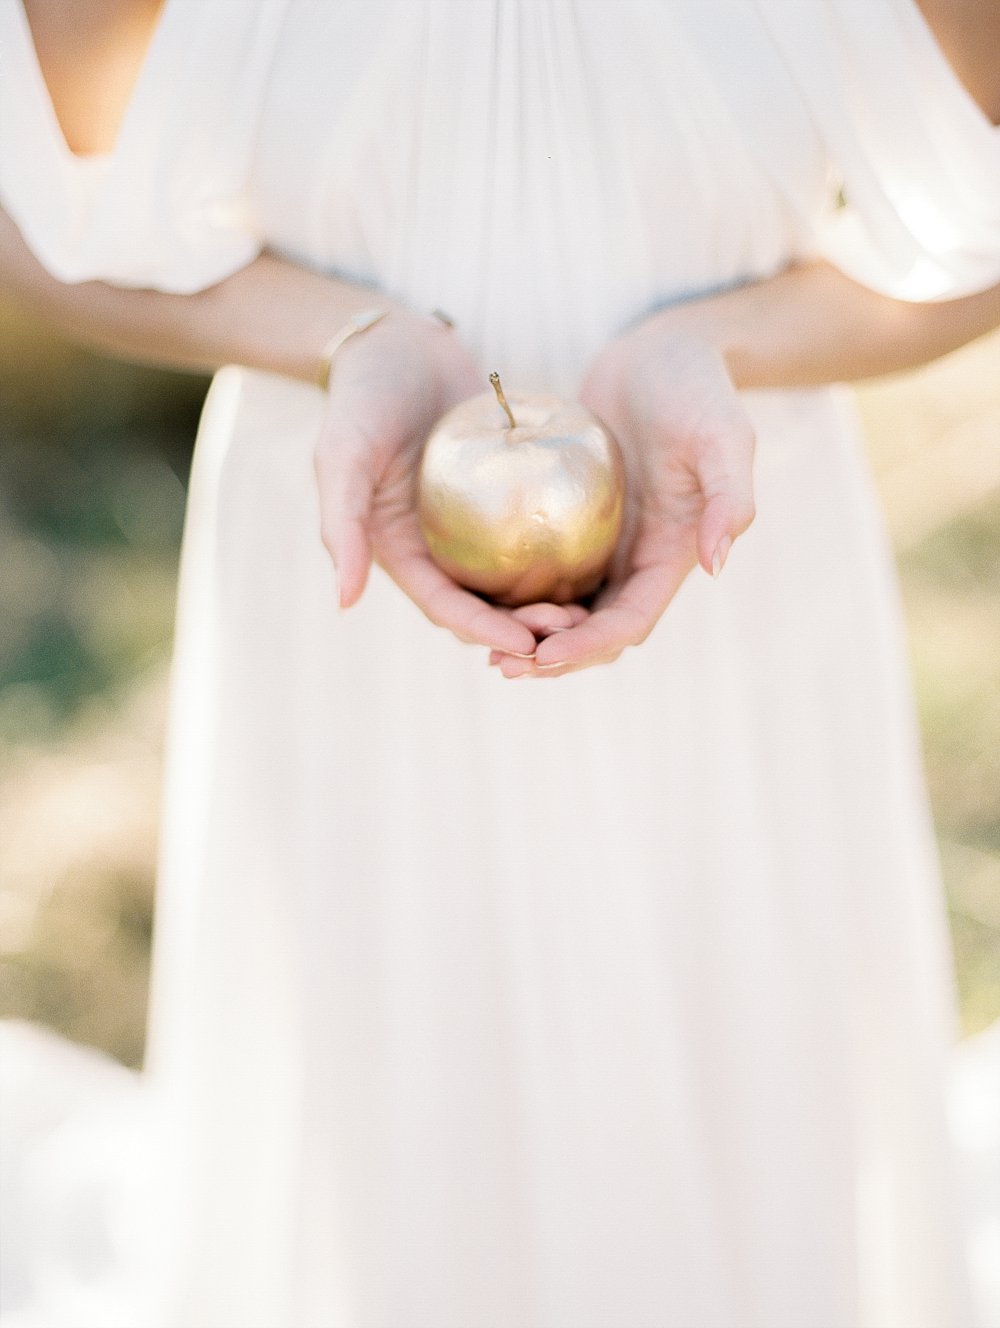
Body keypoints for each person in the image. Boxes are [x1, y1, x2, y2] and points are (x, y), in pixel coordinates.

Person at [1, 0, 999, 1324]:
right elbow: (37, 220)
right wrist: (349, 336)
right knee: (389, 1114)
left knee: (743, 1081)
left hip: (734, 539)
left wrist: (722, 344)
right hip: (345, 538)